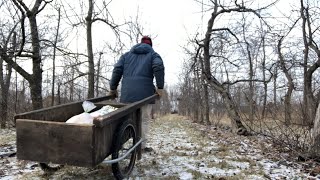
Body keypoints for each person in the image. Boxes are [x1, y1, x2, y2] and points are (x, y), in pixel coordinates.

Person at [109, 36, 165, 152]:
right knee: (143, 119)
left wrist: (113, 88)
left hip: (127, 94)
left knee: (126, 120)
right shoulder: (153, 55)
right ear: (150, 45)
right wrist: (160, 87)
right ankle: (141, 146)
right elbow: (158, 66)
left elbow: (117, 69)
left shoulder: (126, 56)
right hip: (145, 95)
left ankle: (121, 144)